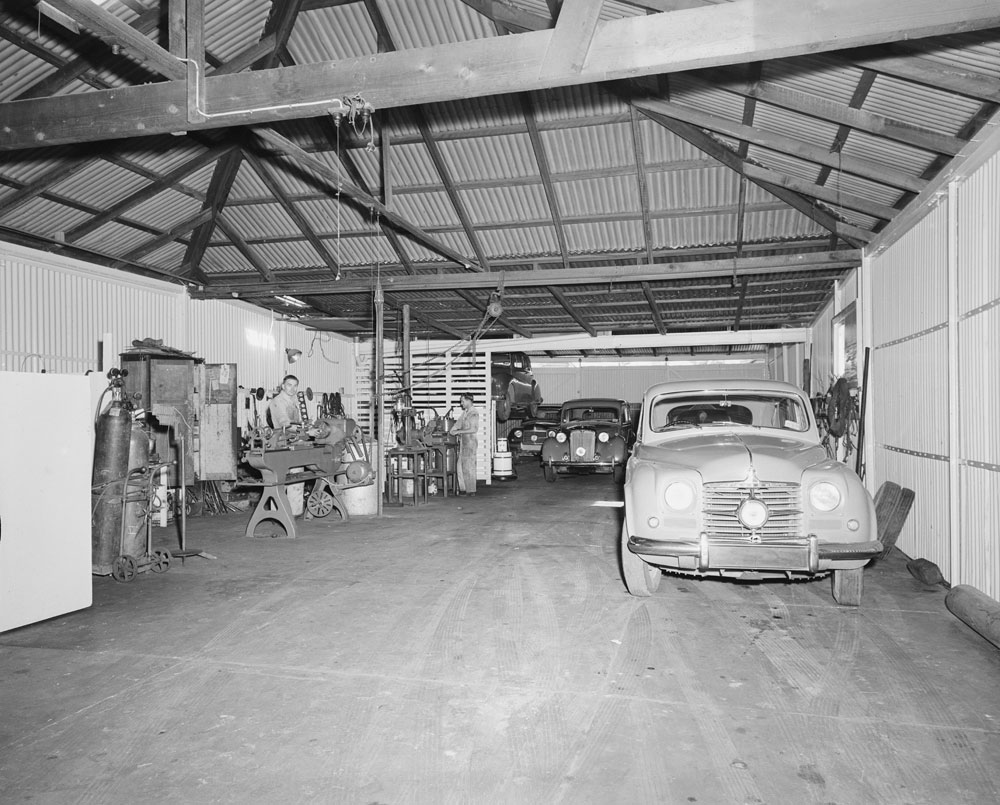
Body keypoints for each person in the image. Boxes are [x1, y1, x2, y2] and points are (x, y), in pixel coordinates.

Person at [450, 393, 479, 496]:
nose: (461, 403)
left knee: (469, 467)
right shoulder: (465, 413)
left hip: (470, 443)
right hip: (464, 443)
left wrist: (458, 432)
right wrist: (452, 429)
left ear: (468, 400)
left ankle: (471, 491)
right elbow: (458, 423)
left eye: (462, 401)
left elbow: (474, 429)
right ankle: (463, 489)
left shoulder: (473, 413)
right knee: (460, 467)